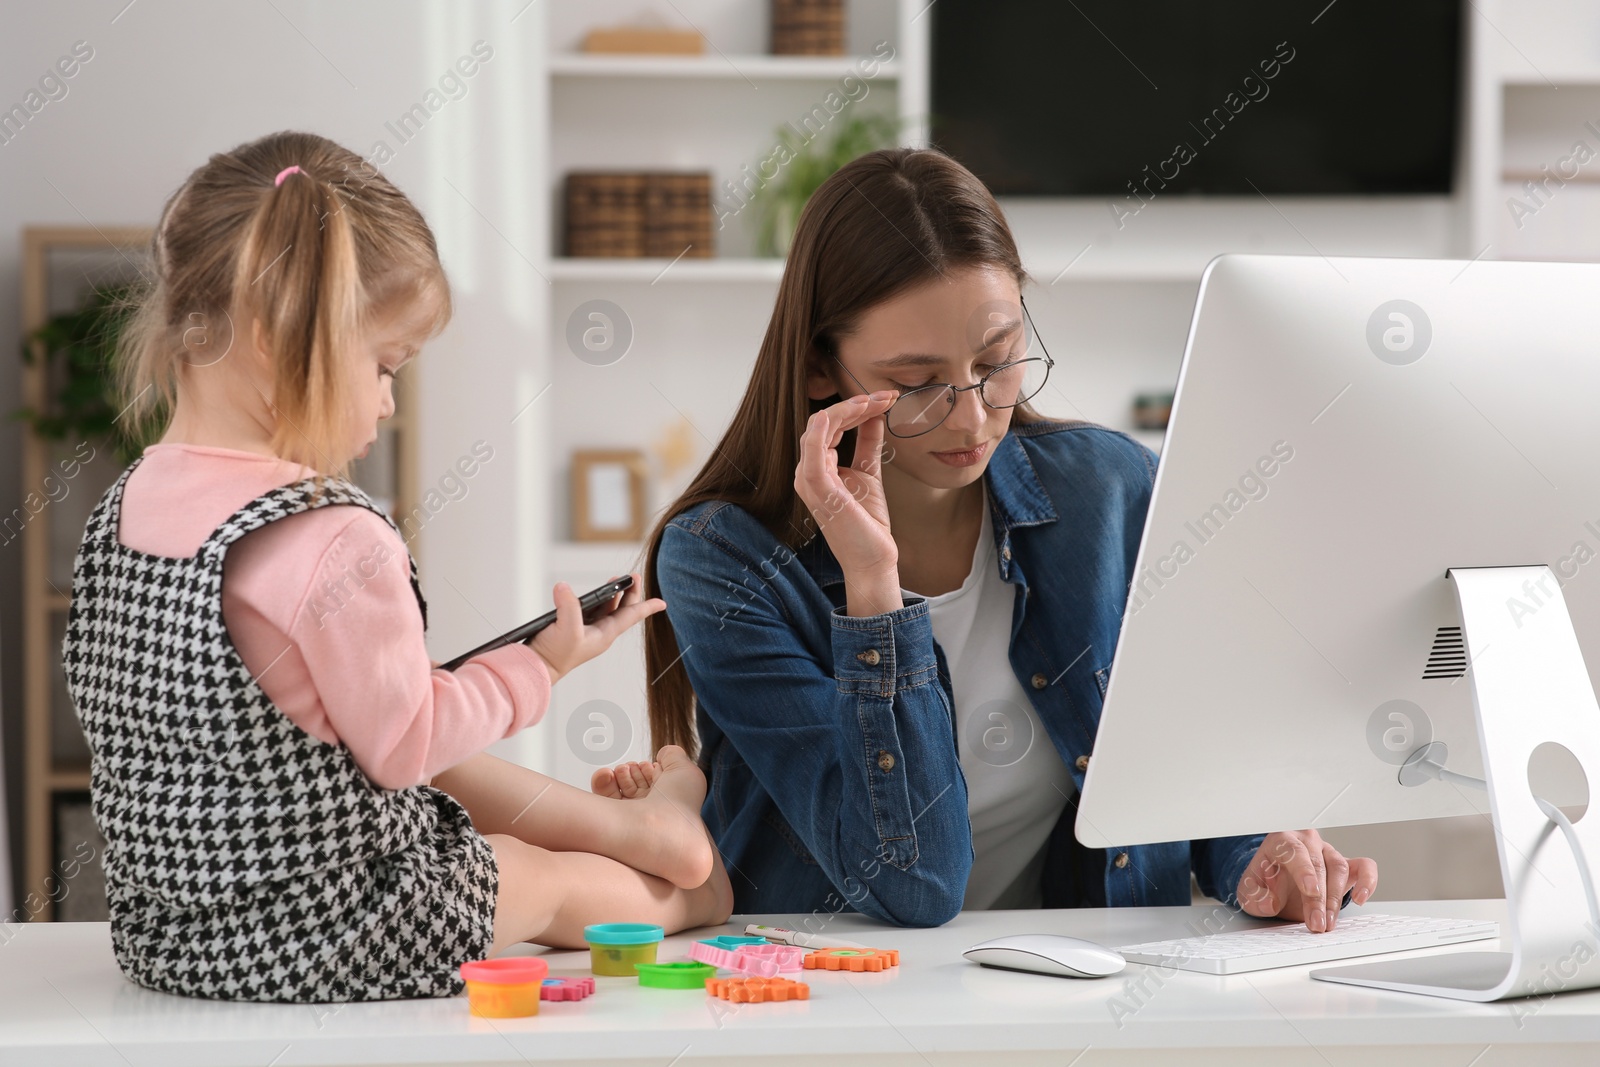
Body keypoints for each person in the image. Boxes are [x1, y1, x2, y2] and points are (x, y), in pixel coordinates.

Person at [61, 130, 730, 1003]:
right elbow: (409, 744)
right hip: (344, 927)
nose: (387, 398)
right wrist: (541, 664)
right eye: (384, 365)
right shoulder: (334, 535)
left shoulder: (118, 515)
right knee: (533, 873)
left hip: (171, 939)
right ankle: (688, 863)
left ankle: (640, 830)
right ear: (278, 338)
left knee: (430, 790)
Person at [638, 147, 1377, 929]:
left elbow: (1189, 757)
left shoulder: (1110, 490)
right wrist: (874, 585)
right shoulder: (722, 559)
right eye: (918, 382)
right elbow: (911, 882)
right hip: (833, 997)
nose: (971, 416)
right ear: (823, 368)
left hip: (1084, 992)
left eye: (997, 360)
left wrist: (1259, 859)